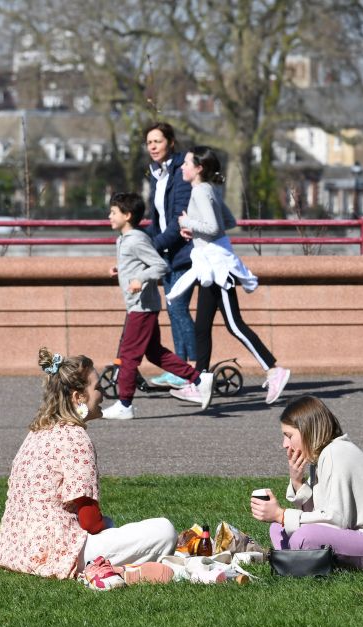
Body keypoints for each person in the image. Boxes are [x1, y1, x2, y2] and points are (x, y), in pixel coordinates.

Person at [0, 347, 178, 588]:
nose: (103, 394)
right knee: (164, 530)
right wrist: (106, 526)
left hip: (15, 549)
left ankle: (113, 566)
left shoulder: (36, 433)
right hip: (58, 553)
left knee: (112, 528)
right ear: (79, 397)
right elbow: (89, 521)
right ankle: (110, 570)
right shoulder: (76, 438)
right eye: (97, 388)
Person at [169, 145, 290, 405]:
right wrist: (195, 231)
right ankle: (200, 382)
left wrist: (187, 223)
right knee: (202, 327)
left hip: (219, 268)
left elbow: (213, 227)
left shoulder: (201, 191)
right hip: (209, 268)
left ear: (199, 168)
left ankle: (273, 370)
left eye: (187, 163)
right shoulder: (208, 190)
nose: (182, 167)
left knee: (234, 324)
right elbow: (228, 222)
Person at [250, 395, 363, 572]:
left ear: (308, 430)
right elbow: (318, 515)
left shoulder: (336, 453)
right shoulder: (323, 455)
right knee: (277, 529)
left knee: (302, 536)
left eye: (289, 436)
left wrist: (282, 515)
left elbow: (336, 520)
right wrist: (297, 482)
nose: (284, 444)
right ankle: (290, 559)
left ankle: (290, 560)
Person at [104, 192, 214, 419]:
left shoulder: (136, 238)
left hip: (142, 307)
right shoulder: (124, 239)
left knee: (128, 356)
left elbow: (160, 266)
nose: (109, 216)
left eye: (114, 212)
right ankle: (199, 379)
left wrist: (140, 279)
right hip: (140, 305)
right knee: (155, 353)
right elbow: (138, 262)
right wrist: (121, 268)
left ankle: (124, 404)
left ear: (127, 215)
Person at [142, 122, 197, 390]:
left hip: (184, 253)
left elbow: (179, 219)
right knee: (174, 311)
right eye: (149, 142)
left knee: (178, 308)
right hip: (167, 253)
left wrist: (153, 245)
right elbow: (158, 218)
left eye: (158, 141)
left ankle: (198, 369)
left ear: (170, 143)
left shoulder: (180, 171)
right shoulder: (157, 173)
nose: (153, 146)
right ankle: (181, 368)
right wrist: (145, 240)